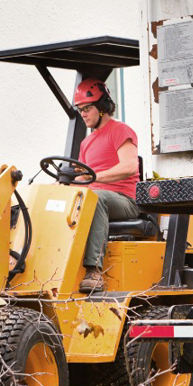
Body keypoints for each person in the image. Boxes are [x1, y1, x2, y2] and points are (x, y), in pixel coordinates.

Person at [72, 78, 141, 293]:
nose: (83, 114)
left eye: (87, 108)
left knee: (96, 198)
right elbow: (83, 178)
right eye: (80, 109)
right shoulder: (86, 142)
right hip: (95, 198)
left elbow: (130, 166)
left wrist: (94, 178)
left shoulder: (120, 131)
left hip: (125, 200)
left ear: (102, 107)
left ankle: (93, 269)